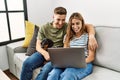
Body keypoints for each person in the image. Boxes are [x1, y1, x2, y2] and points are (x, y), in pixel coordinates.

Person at [20, 7, 98, 80]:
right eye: (58, 19)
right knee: (27, 63)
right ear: (53, 17)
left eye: (63, 20)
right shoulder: (45, 28)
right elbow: (38, 45)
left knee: (47, 69)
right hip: (44, 52)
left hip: (58, 55)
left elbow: (87, 25)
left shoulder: (67, 27)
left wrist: (91, 36)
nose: (61, 23)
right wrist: (45, 53)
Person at [46, 12, 96, 80]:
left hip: (85, 63)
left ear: (82, 23)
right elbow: (64, 53)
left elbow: (91, 57)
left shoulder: (88, 37)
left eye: (77, 23)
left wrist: (76, 63)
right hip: (70, 63)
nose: (75, 26)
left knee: (68, 75)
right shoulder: (67, 37)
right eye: (73, 24)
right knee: (53, 74)